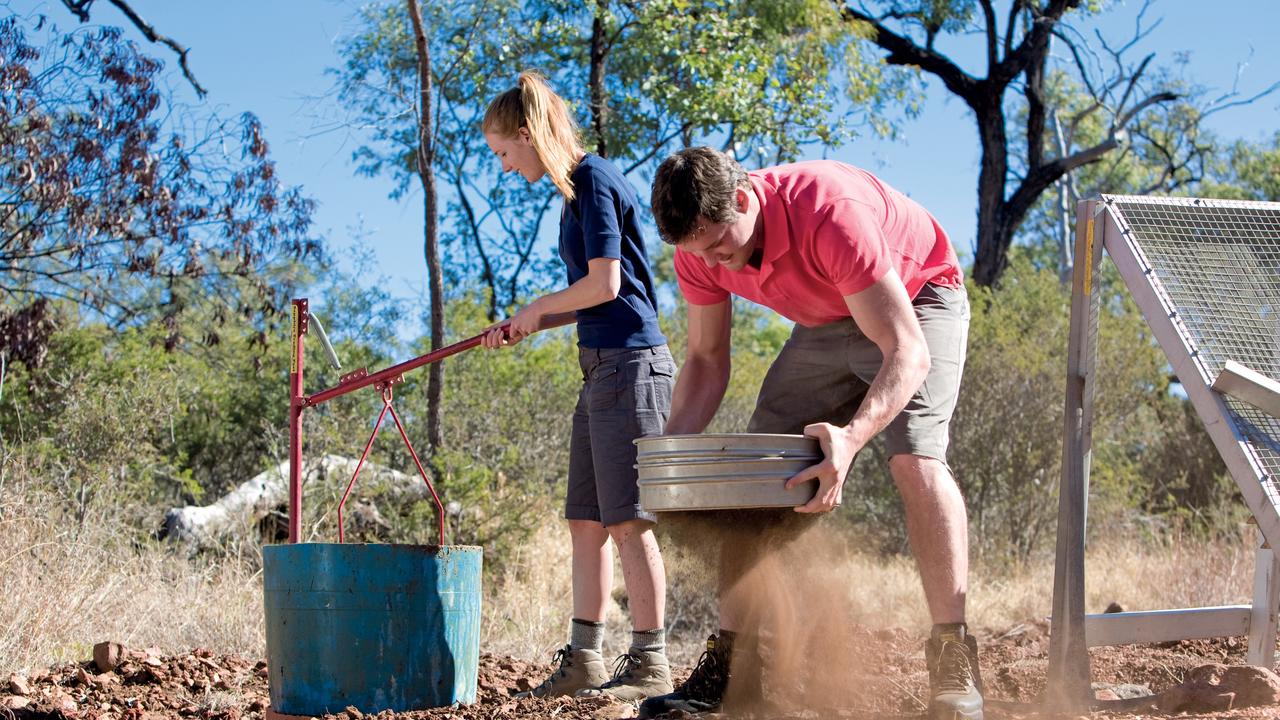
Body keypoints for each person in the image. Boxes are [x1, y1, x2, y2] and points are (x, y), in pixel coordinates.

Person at [638, 147, 980, 720]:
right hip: (826, 320)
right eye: (700, 254)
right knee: (755, 480)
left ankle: (952, 655)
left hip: (919, 300)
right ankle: (729, 670)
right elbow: (705, 358)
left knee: (915, 461)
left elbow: (907, 351)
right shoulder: (699, 247)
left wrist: (850, 438)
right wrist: (674, 455)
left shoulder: (828, 214)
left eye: (721, 246)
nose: (715, 264)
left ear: (744, 199)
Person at [480, 71, 676, 703]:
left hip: (632, 364)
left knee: (628, 520)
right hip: (601, 366)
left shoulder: (592, 179)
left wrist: (541, 305)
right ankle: (585, 658)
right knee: (585, 520)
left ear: (528, 135)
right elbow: (590, 297)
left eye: (504, 153)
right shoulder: (573, 192)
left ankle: (649, 659)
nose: (505, 168)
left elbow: (608, 285)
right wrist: (530, 322)